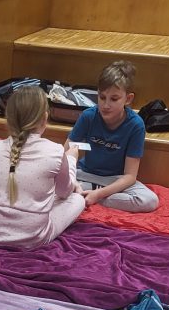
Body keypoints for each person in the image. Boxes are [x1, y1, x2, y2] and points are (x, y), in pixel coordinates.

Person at [0, 84, 85, 247]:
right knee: (77, 199)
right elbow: (64, 192)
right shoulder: (56, 151)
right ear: (45, 118)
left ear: (8, 119)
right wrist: (71, 160)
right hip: (35, 237)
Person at [67, 60, 159, 213]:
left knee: (149, 201)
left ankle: (87, 196)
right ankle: (85, 193)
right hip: (84, 175)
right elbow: (67, 153)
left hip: (115, 179)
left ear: (128, 99)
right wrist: (72, 181)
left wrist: (99, 194)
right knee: (51, 183)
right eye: (102, 97)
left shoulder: (136, 125)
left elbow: (130, 176)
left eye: (114, 99)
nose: (105, 105)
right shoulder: (88, 116)